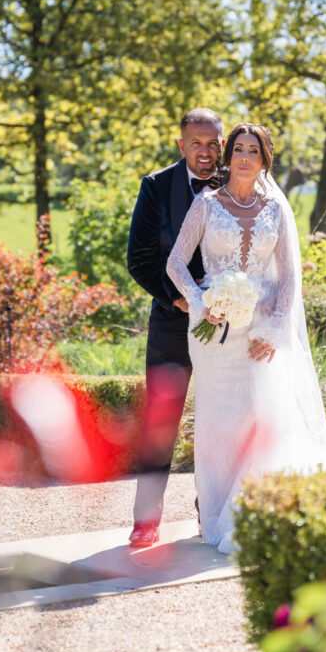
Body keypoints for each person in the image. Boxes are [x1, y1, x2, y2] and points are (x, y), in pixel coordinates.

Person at [166, 121, 326, 554]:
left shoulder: (276, 210)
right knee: (218, 426)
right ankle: (215, 517)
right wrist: (200, 302)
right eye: (238, 149)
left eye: (253, 151)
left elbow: (290, 278)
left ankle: (254, 515)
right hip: (213, 335)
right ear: (229, 157)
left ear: (264, 160)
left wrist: (278, 328)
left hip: (260, 334)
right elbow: (175, 263)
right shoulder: (206, 204)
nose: (244, 157)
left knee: (261, 422)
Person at [127, 107, 224, 548]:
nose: (206, 152)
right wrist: (179, 299)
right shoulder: (156, 186)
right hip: (171, 325)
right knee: (161, 423)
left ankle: (216, 512)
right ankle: (146, 520)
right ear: (180, 144)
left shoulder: (238, 180)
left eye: (213, 143)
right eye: (196, 143)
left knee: (221, 420)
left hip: (227, 328)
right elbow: (140, 259)